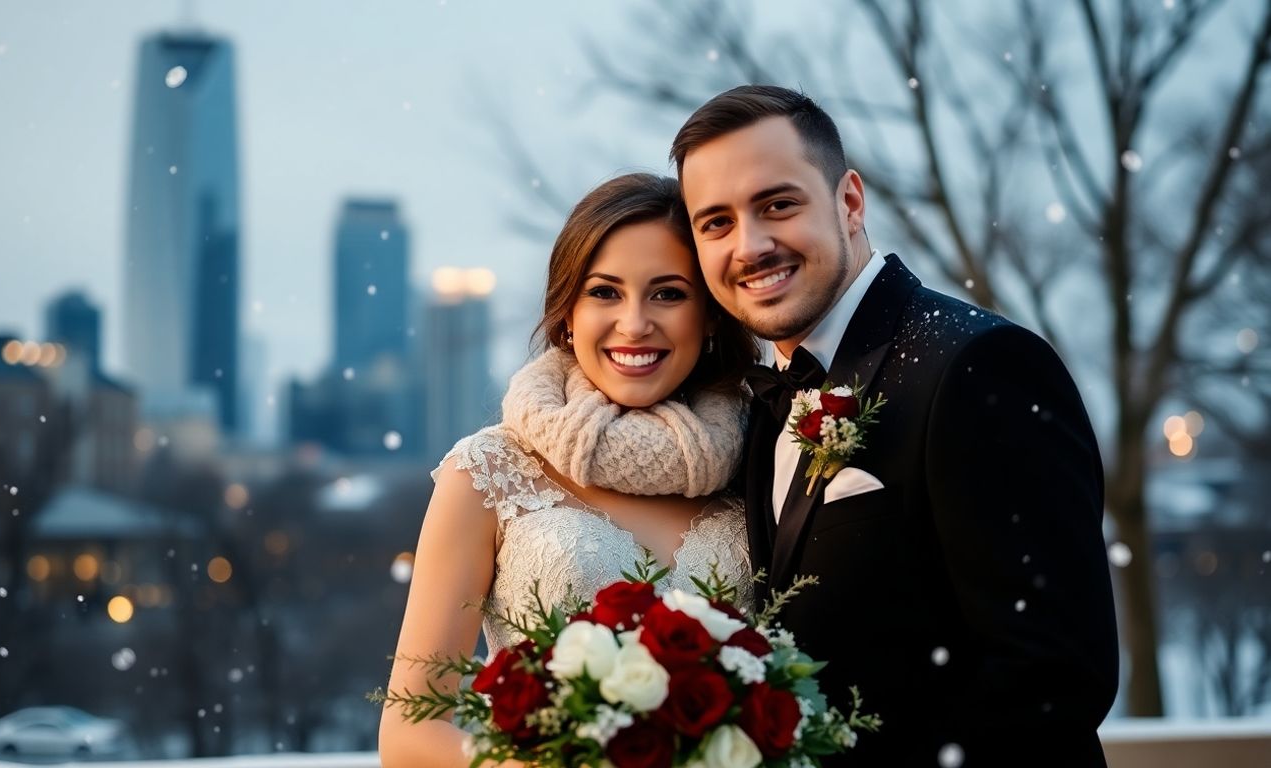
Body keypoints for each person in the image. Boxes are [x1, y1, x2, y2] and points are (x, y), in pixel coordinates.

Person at [671, 85, 1119, 767]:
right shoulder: (758, 407)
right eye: (716, 223)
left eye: (778, 205)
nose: (750, 245)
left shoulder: (980, 365)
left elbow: (1054, 677)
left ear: (849, 201)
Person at [377, 172, 760, 767]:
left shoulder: (762, 463)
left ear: (710, 314)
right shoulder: (486, 473)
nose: (635, 323)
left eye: (668, 293)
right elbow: (409, 736)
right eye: (604, 292)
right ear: (567, 314)